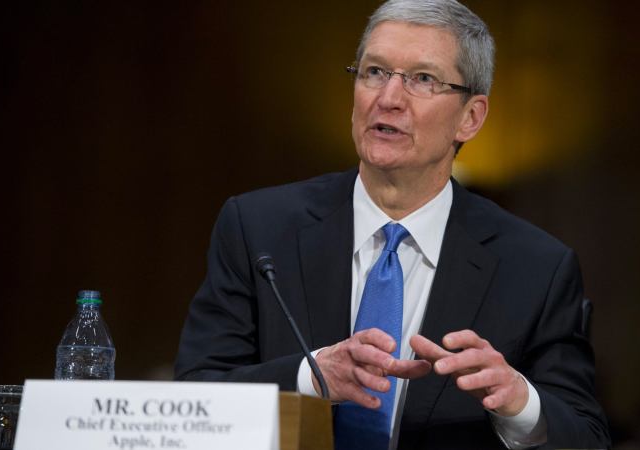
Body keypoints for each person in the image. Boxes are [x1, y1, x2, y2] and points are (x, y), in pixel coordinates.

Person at [175, 1, 610, 449]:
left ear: (470, 117)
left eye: (423, 79)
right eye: (375, 72)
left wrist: (520, 403)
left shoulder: (536, 267)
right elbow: (195, 394)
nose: (388, 98)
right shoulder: (258, 228)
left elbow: (587, 437)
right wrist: (310, 377)